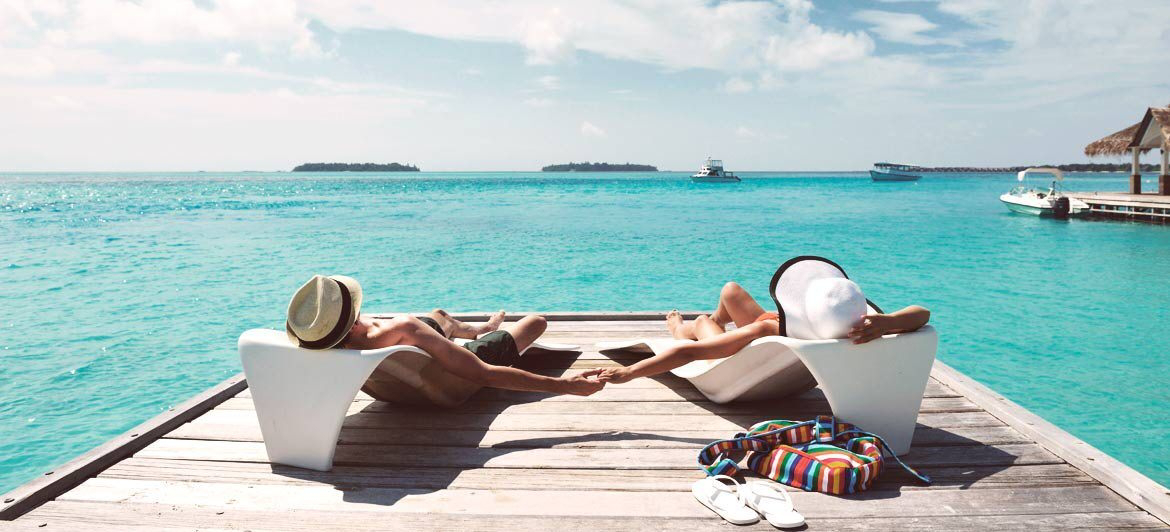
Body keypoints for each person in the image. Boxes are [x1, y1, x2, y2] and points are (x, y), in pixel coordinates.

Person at [596, 264, 930, 385]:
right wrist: (887, 322)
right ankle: (717, 320)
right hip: (776, 324)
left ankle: (680, 326)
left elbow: (689, 354)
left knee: (700, 323)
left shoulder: (768, 331)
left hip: (742, 351)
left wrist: (631, 372)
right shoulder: (857, 325)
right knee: (731, 291)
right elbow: (922, 314)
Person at [286, 274, 605, 396]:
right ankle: (485, 336)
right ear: (352, 316)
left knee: (438, 315)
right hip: (451, 384)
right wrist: (565, 385)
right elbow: (482, 373)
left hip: (394, 391)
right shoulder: (402, 327)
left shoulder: (321, 344)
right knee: (536, 321)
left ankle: (479, 330)